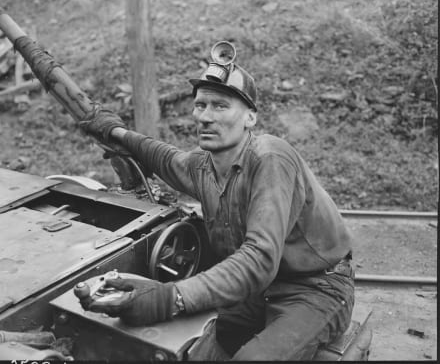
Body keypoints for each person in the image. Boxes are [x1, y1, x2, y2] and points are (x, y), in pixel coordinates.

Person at [78, 41, 355, 361]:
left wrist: (169, 298)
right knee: (197, 349)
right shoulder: (204, 166)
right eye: (200, 105)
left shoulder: (271, 157)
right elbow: (164, 157)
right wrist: (117, 133)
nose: (204, 117)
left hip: (316, 290)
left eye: (220, 106)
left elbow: (259, 260)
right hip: (256, 291)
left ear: (250, 117)